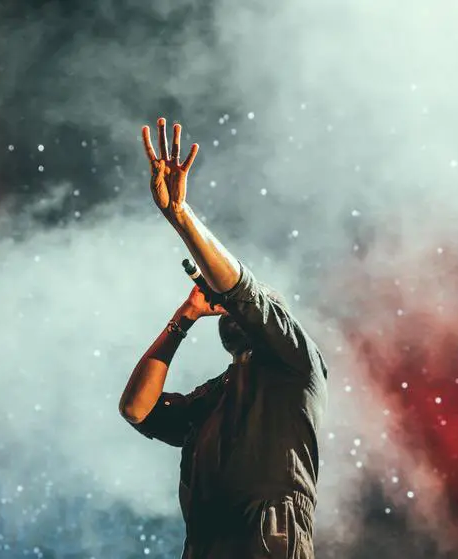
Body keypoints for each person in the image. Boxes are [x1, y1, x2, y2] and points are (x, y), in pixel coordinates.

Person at [119, 118, 329, 558]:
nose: (231, 306)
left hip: (266, 536)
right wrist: (185, 316)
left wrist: (181, 216)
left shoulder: (294, 360)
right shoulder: (215, 395)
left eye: (247, 306)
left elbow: (242, 290)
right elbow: (136, 409)